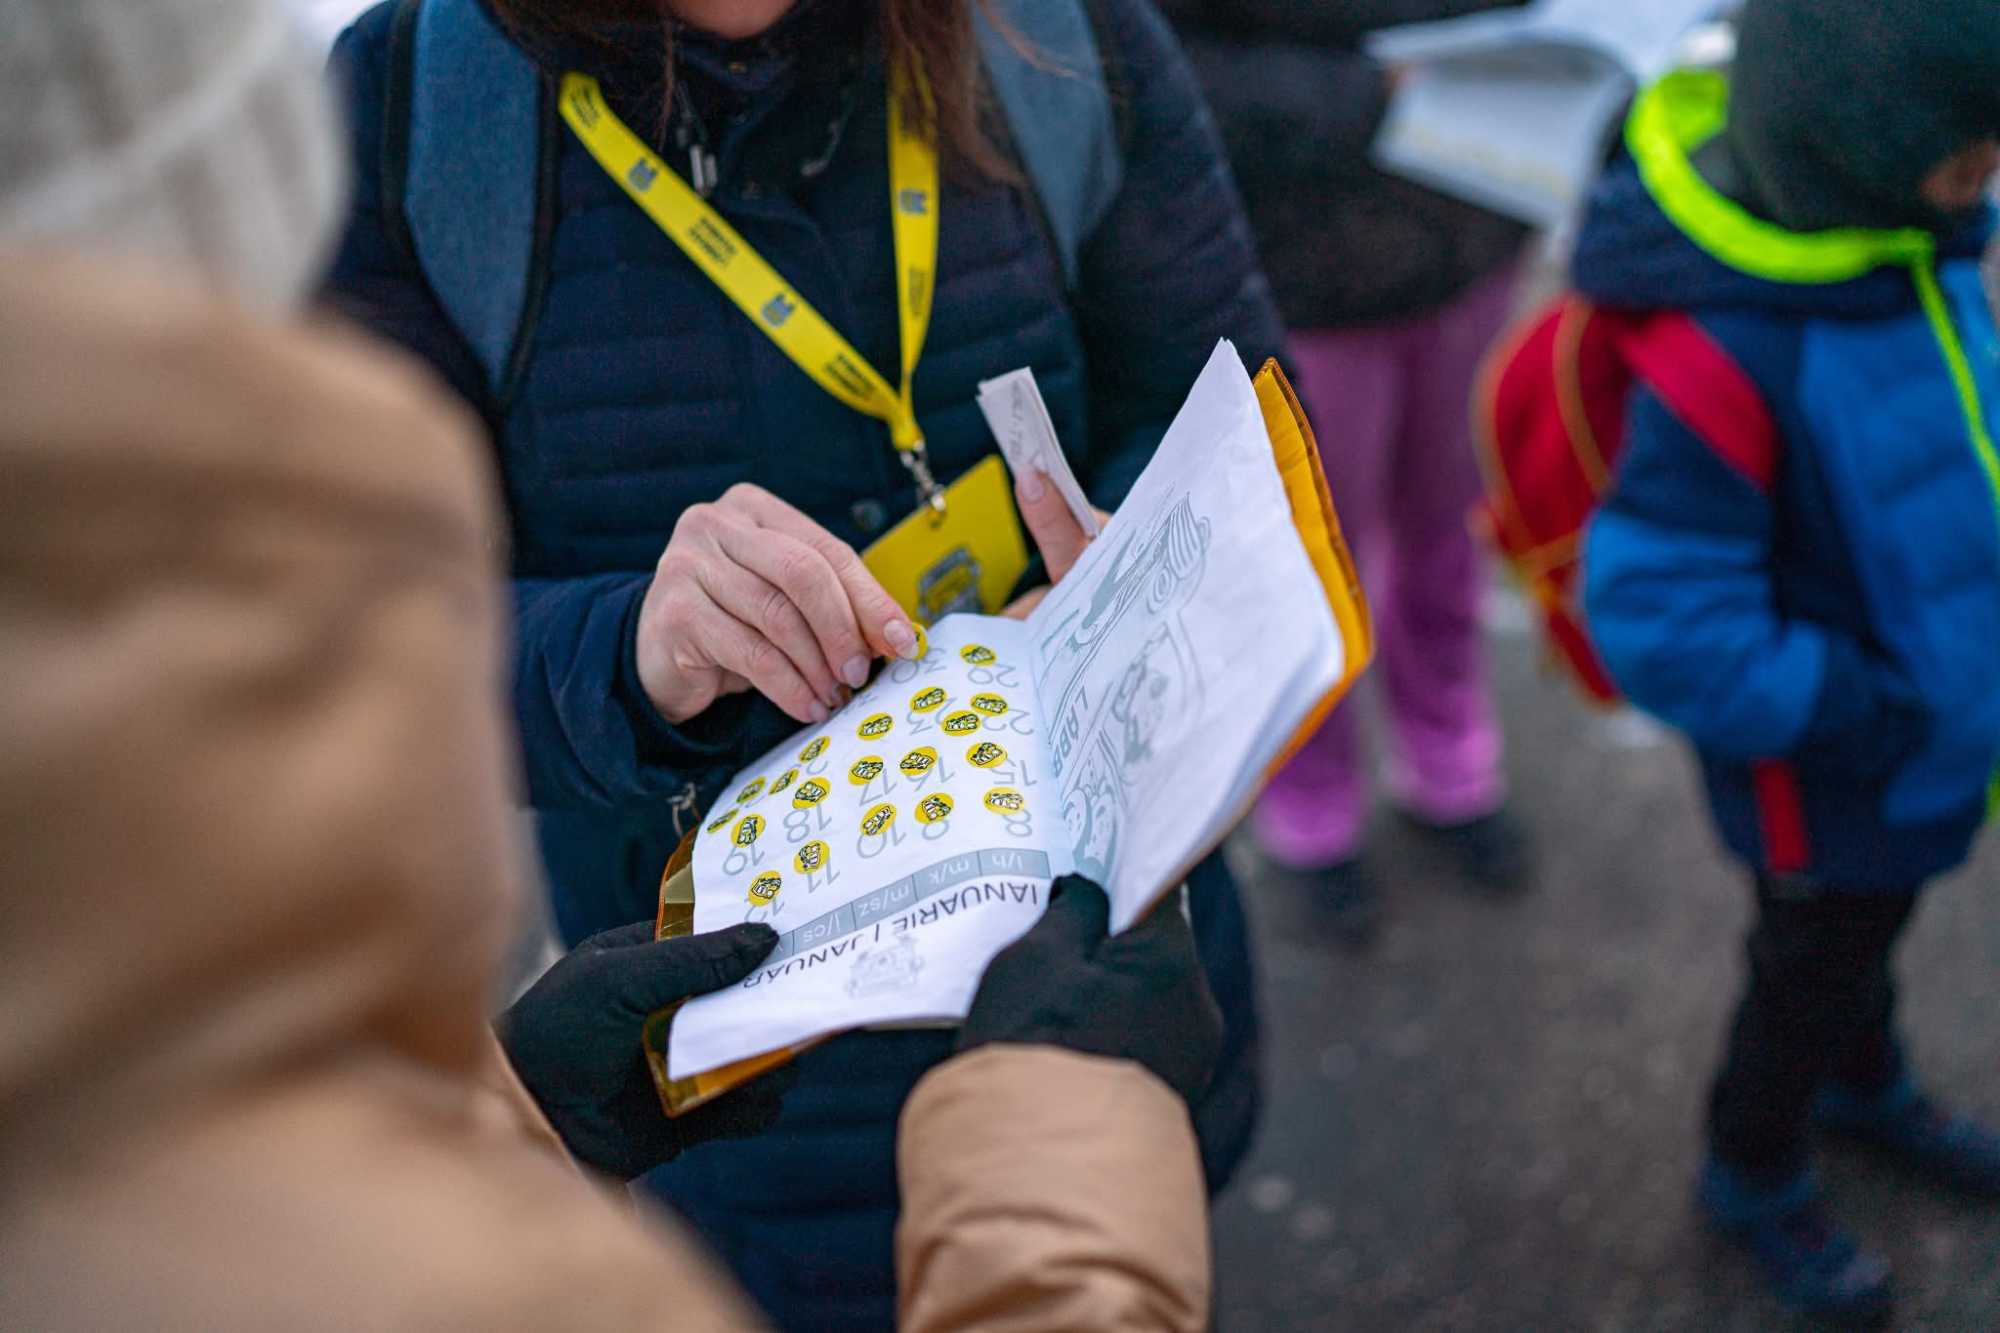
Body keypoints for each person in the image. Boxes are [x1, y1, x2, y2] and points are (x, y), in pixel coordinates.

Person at [0, 4, 1226, 1321]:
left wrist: (1131, 577)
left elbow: (1219, 393)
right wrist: (628, 649)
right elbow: (358, 634)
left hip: (1106, 964)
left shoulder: (1049, 34)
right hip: (736, 1076)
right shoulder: (423, 105)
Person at [1575, 0, 2000, 1319]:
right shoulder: (1725, 352)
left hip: (1918, 728)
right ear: (1848, 146)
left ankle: (1864, 1084)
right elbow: (1661, 617)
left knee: (1865, 939)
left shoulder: (1907, 246)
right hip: (1828, 767)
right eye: (1966, 157)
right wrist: (1857, 708)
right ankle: (1752, 1165)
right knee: (1804, 971)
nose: (1985, 179)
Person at [1158, 0, 1534, 938]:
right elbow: (1163, 57)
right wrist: (1362, 95)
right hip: (1306, 278)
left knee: (1453, 526)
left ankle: (1449, 753)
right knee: (1307, 556)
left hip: (1476, 229)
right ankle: (1311, 804)